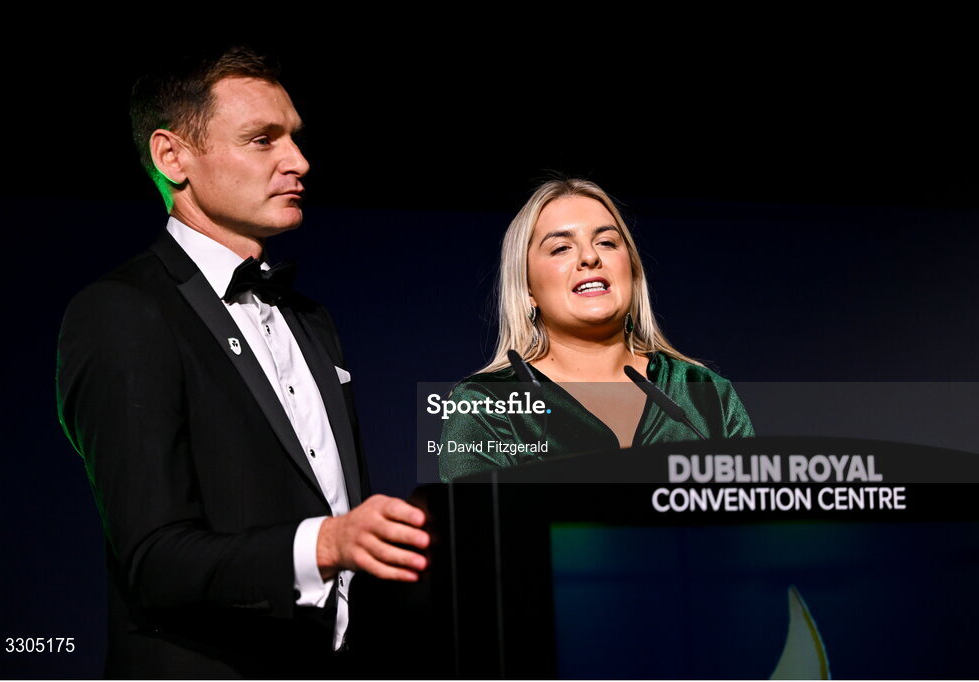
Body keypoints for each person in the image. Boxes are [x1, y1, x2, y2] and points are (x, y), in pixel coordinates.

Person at [56, 46, 428, 678]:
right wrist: (328, 543)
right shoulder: (120, 312)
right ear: (172, 157)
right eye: (262, 140)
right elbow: (152, 560)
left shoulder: (311, 319)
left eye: (296, 138)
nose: (299, 161)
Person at [439, 178, 754, 482]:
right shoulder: (487, 404)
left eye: (606, 242)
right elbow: (475, 530)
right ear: (527, 288)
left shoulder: (704, 392)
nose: (590, 257)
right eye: (561, 248)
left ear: (630, 272)